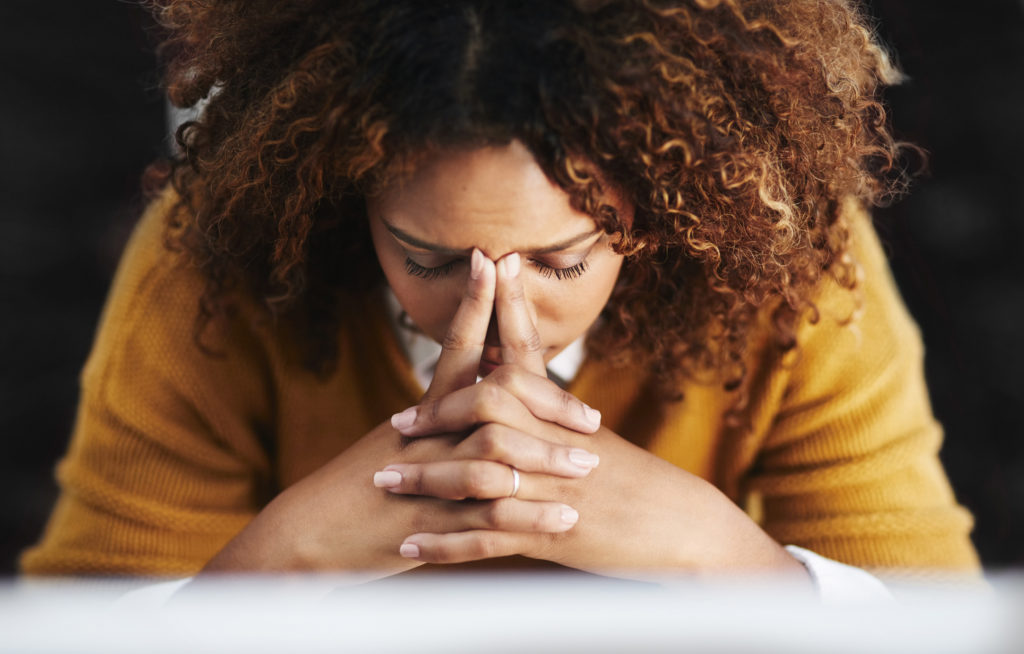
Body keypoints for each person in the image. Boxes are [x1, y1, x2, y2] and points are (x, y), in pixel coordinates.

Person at [22, 0, 979, 592]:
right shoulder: (209, 267)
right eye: (429, 260)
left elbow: (939, 614)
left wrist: (723, 557)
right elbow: (78, 622)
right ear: (343, 195)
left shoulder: (793, 262)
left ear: (663, 209)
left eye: (558, 263)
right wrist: (287, 556)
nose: (494, 322)